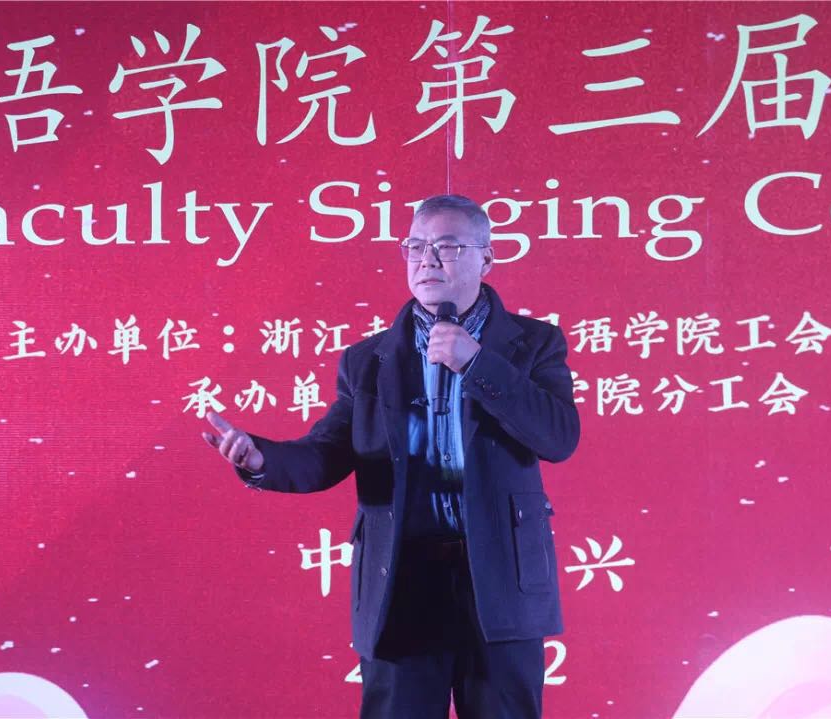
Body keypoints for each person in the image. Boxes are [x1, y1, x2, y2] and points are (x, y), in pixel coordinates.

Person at [202, 194, 580, 719]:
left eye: (447, 246)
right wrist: (260, 460)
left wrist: (476, 363)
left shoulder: (534, 343)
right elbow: (325, 454)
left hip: (500, 577)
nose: (428, 260)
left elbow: (558, 437)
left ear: (486, 259)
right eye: (416, 247)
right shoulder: (368, 360)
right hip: (402, 579)